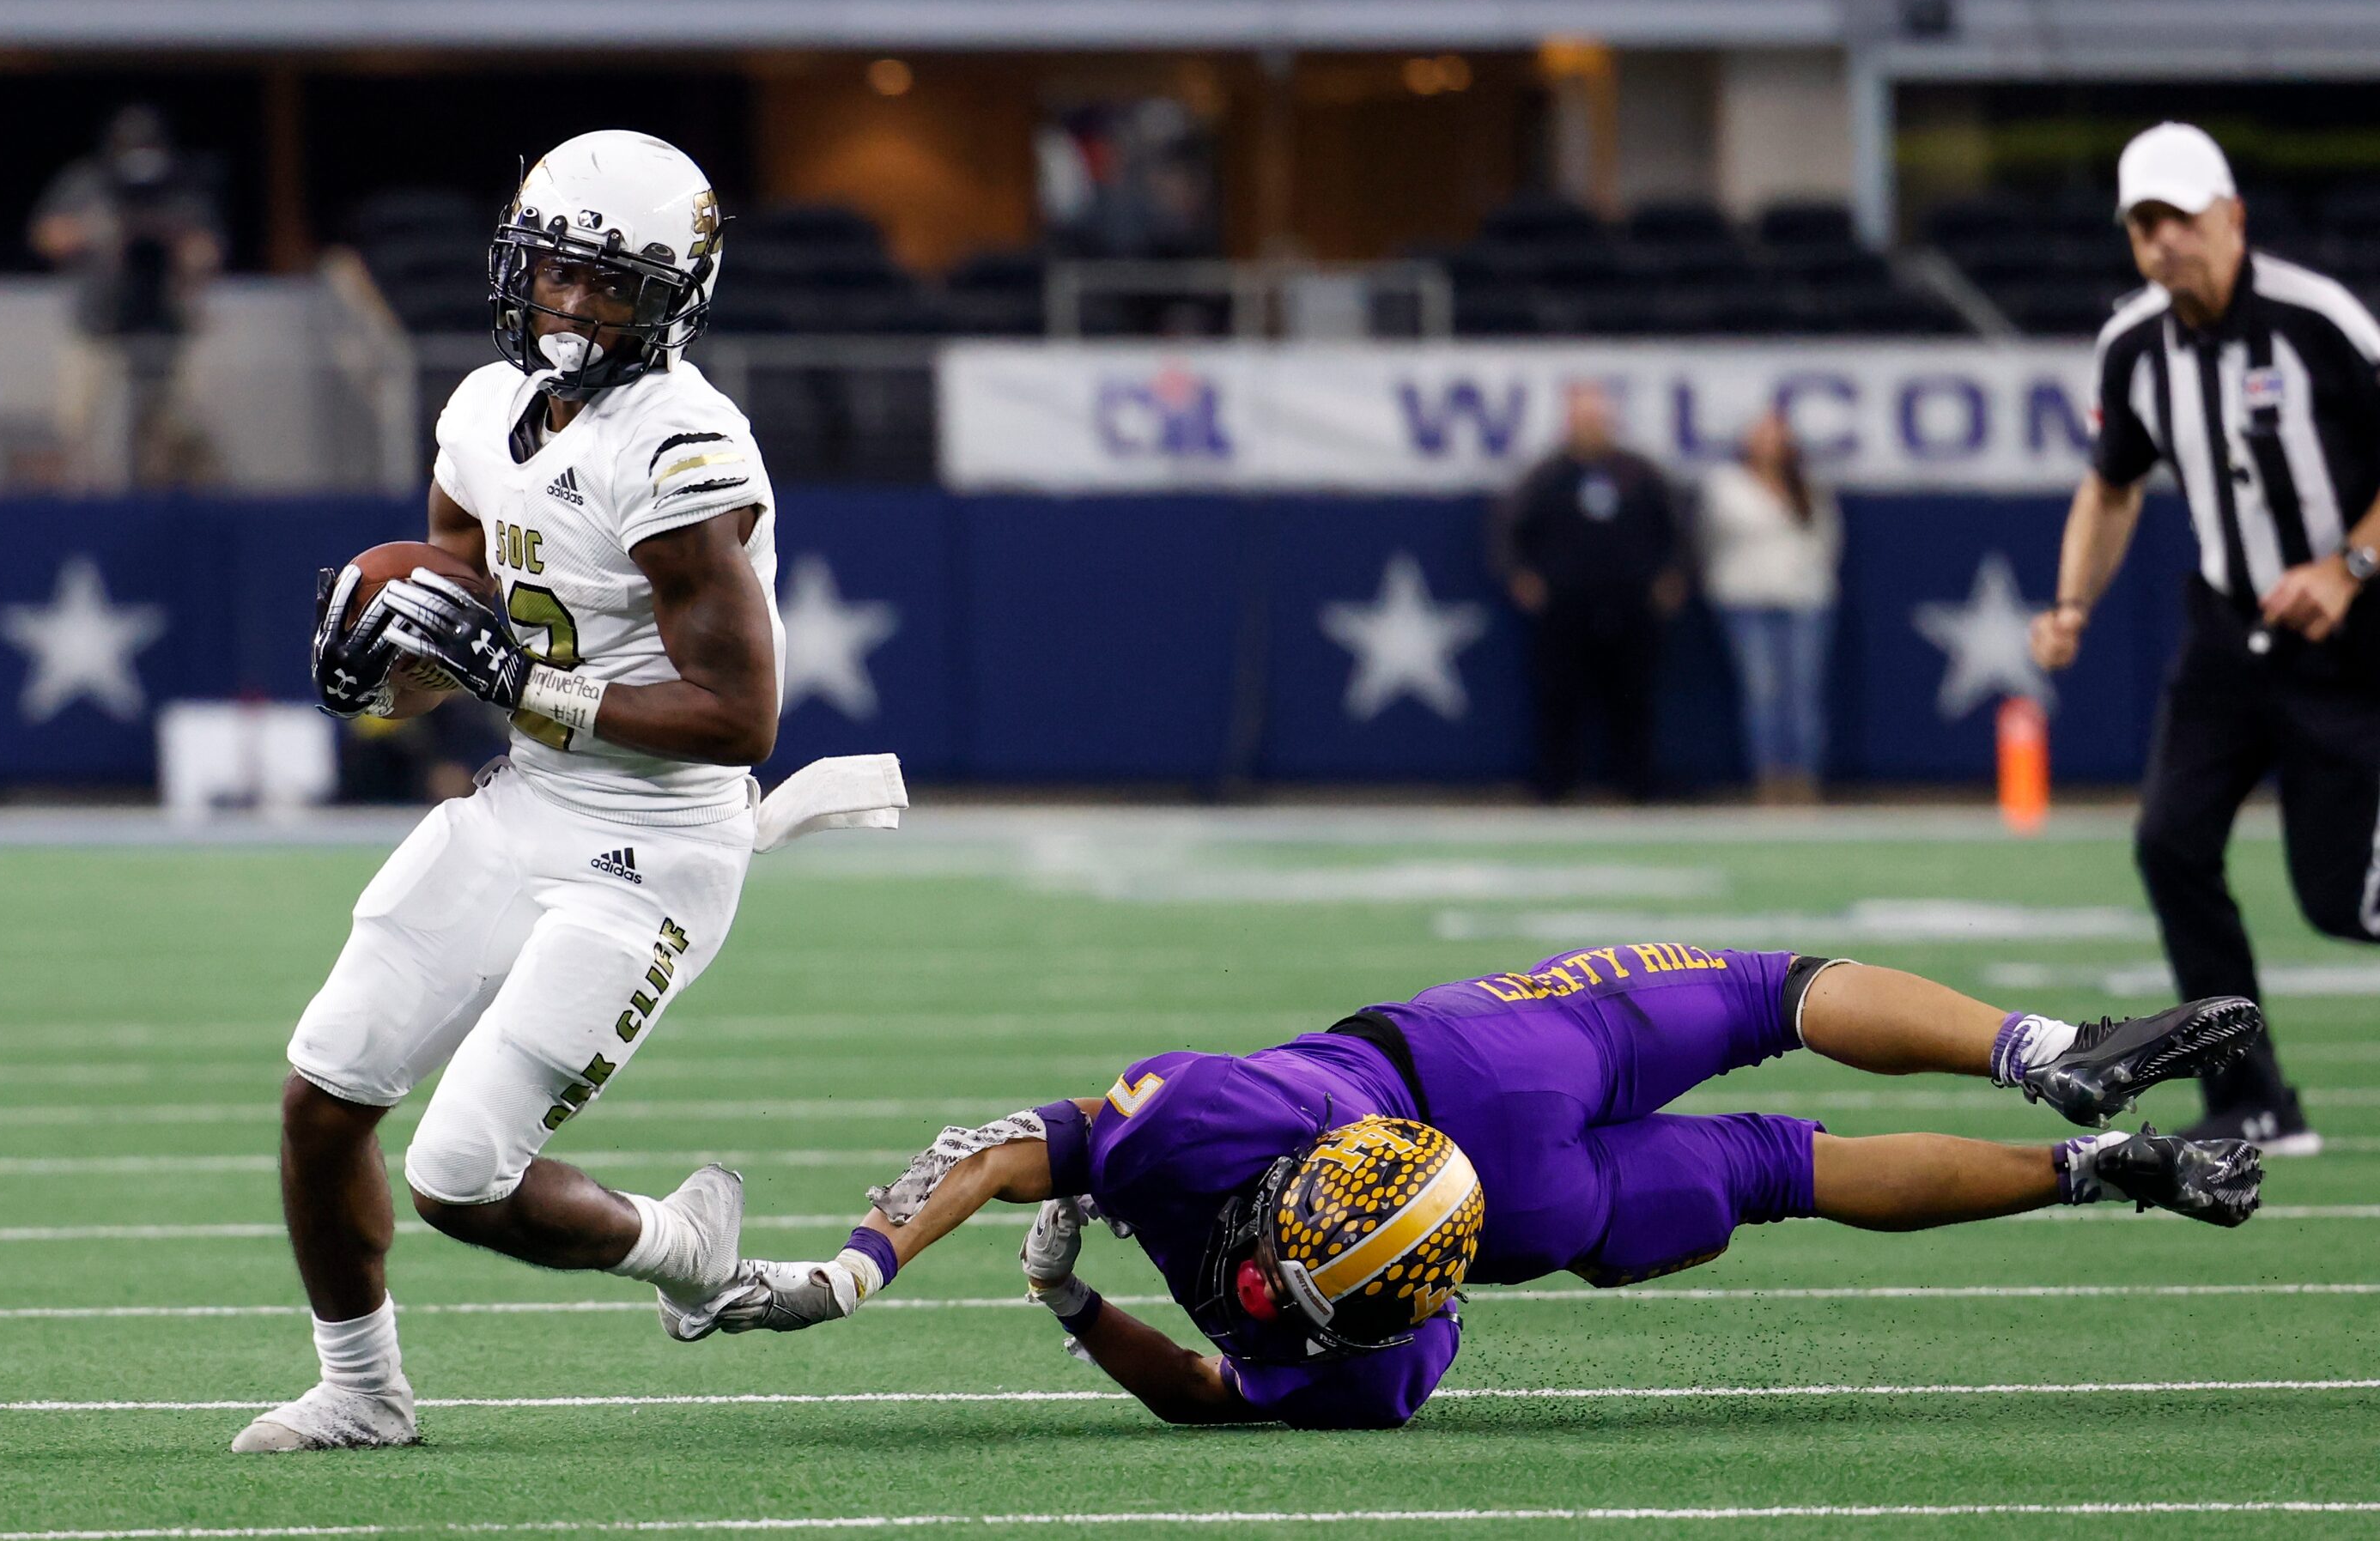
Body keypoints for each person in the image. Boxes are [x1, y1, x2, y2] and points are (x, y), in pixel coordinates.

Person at [680, 948, 2262, 1430]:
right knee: (1781, 989)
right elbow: (986, 1145)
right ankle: (2045, 1058)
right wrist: (852, 1266)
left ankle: (2093, 1168)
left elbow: (1200, 1393)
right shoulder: (1208, 1114)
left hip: (1528, 1227)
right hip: (1478, 1070)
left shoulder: (1366, 1365)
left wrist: (1070, 1295)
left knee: (1798, 1172)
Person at [243, 130, 782, 1453]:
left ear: (673, 301)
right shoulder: (484, 407)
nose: (578, 305)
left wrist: (532, 692)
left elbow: (739, 717)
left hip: (655, 847)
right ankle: (363, 1393)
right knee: (323, 1098)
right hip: (526, 800)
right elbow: (455, 596)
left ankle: (682, 1245)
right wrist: (388, 677)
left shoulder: (680, 446)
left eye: (614, 284)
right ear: (519, 265)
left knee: (458, 1179)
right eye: (560, 273)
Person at [2031, 120, 2380, 1155]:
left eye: (2178, 217)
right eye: (2142, 223)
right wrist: (2070, 605)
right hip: (2228, 636)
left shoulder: (2314, 320)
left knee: (2337, 899)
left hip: (2352, 643)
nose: (2162, 241)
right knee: (2168, 844)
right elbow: (2111, 487)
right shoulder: (2133, 344)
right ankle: (2249, 1097)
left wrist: (2347, 566)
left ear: (2229, 215)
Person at [1494, 383, 1687, 800]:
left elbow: (1674, 526)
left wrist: (1673, 573)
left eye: (1597, 419)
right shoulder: (1546, 476)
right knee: (1560, 695)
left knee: (1633, 696)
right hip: (1565, 604)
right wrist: (1519, 574)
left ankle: (1636, 782)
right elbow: (1509, 529)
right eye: (1583, 420)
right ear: (1569, 424)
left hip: (1631, 601)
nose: (1591, 427)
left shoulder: (1638, 473)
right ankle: (1557, 781)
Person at [27, 105, 223, 489]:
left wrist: (178, 245)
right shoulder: (87, 182)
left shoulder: (180, 190)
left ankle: (168, 500)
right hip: (95, 328)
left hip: (166, 331)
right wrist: (93, 231)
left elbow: (210, 251)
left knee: (176, 428)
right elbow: (45, 236)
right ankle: (78, 505)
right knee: (75, 424)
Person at [1699, 410, 1843, 802]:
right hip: (1746, 600)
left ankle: (1804, 780)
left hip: (1804, 600)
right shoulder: (1727, 484)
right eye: (1760, 436)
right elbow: (1735, 528)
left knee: (1803, 694)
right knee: (1762, 693)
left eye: (1775, 436)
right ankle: (1768, 780)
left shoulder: (1809, 485)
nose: (1769, 444)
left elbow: (1827, 540)